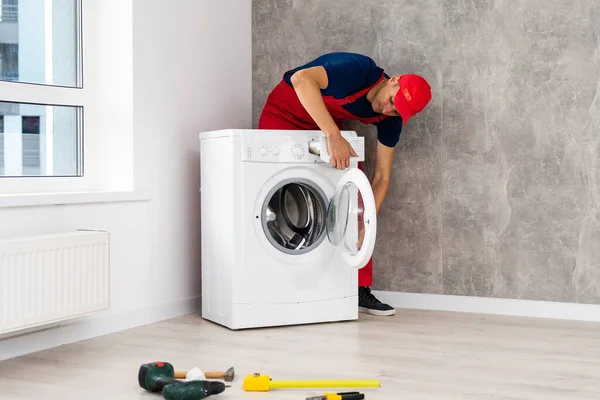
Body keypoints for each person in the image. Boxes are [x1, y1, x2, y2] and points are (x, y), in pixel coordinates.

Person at [258, 52, 432, 316]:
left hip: (322, 127)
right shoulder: (357, 70)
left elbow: (382, 176)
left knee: (355, 191)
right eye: (392, 102)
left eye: (397, 111)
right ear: (393, 81)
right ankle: (271, 282)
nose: (388, 110)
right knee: (268, 192)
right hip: (283, 115)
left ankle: (356, 287)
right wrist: (333, 135)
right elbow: (301, 79)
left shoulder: (390, 120)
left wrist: (365, 224)